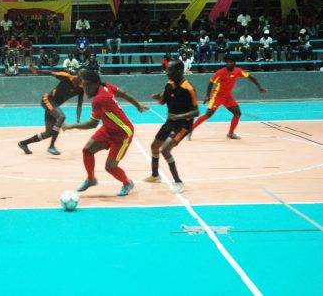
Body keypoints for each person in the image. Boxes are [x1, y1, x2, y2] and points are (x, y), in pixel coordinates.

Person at [61, 70, 149, 196]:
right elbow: (123, 94)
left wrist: (71, 126)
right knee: (87, 150)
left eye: (86, 85)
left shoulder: (99, 99)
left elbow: (92, 123)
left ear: (95, 84)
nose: (84, 89)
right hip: (108, 129)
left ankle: (127, 183)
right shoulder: (105, 86)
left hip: (122, 133)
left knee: (110, 167)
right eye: (83, 85)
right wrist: (138, 105)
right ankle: (91, 179)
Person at [144, 61, 199, 192]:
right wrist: (158, 97)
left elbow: (196, 112)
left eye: (169, 70)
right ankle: (155, 175)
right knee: (154, 146)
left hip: (183, 125)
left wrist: (179, 117)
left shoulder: (188, 88)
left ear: (179, 70)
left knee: (165, 150)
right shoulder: (169, 85)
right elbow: (162, 101)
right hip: (170, 122)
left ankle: (178, 182)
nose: (167, 73)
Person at [192, 54, 266, 139]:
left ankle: (230, 133)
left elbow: (251, 77)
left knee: (237, 113)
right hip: (217, 96)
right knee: (208, 114)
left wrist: (259, 87)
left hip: (227, 97)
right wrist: (207, 96)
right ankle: (190, 129)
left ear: (234, 63)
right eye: (228, 62)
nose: (229, 63)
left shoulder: (238, 71)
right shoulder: (220, 72)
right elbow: (211, 83)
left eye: (231, 62)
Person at [18, 67, 85, 156]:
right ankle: (51, 146)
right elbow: (50, 72)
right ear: (79, 76)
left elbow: (79, 105)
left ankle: (24, 143)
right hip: (47, 100)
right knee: (61, 117)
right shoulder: (66, 77)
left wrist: (78, 119)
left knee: (49, 133)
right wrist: (37, 71)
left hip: (54, 106)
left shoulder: (81, 89)